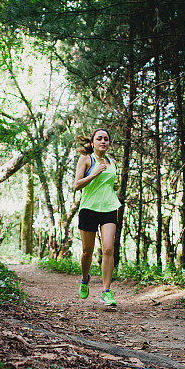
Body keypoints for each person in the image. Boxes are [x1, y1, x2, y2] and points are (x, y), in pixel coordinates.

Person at [74, 128, 121, 306]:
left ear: (109, 144)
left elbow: (110, 184)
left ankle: (106, 291)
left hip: (109, 208)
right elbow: (77, 185)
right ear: (92, 142)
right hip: (89, 209)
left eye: (106, 139)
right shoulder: (86, 159)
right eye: (99, 138)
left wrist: (112, 185)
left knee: (108, 249)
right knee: (87, 252)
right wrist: (94, 174)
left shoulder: (112, 162)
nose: (103, 141)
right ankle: (85, 278)